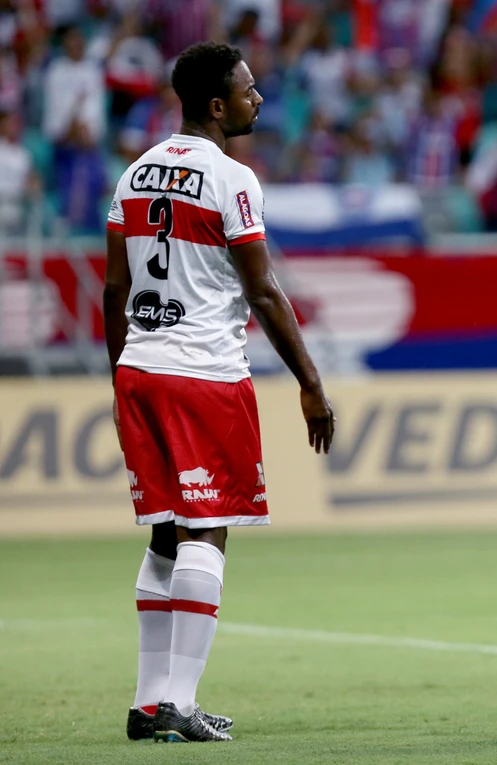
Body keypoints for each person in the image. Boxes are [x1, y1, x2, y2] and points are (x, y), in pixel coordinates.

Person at [103, 42, 335, 743]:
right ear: (216, 105)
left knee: (167, 532)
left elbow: (116, 288)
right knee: (207, 529)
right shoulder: (232, 179)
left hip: (140, 369)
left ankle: (149, 704)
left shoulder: (134, 175)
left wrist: (124, 371)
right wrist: (312, 383)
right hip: (203, 372)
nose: (256, 98)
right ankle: (179, 700)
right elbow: (263, 291)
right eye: (248, 89)